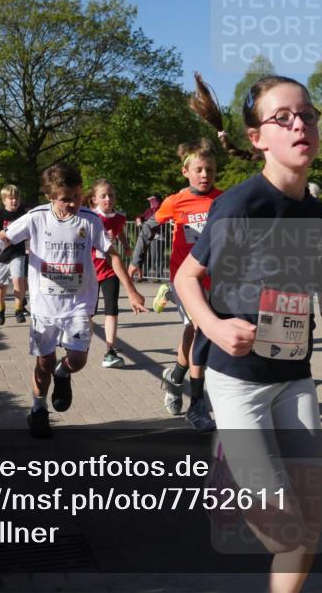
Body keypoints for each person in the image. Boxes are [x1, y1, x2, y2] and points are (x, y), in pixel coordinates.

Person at [176, 73, 322, 592]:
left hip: (295, 379)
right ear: (257, 137)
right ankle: (229, 465)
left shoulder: (318, 215)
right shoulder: (242, 204)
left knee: (309, 531)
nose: (300, 125)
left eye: (307, 115)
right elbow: (186, 277)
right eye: (283, 118)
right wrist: (214, 326)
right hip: (239, 381)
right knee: (286, 532)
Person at [0, 163, 146, 438]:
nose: (73, 204)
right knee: (43, 363)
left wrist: (130, 290)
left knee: (78, 360)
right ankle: (38, 409)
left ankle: (63, 373)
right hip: (45, 305)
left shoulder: (90, 220)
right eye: (65, 199)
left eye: (77, 197)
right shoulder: (37, 217)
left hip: (78, 303)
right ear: (50, 197)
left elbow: (112, 254)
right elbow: (6, 235)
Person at [128, 133, 223, 432]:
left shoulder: (224, 199)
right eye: (199, 170)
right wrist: (135, 261)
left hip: (217, 279)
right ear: (185, 171)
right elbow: (148, 229)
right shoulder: (175, 201)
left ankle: (176, 377)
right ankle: (197, 405)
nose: (205, 175)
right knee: (200, 328)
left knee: (194, 332)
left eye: (210, 169)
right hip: (184, 279)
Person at [82, 179, 131, 369]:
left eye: (111, 195)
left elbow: (120, 231)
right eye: (103, 196)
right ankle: (82, 346)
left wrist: (125, 245)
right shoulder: (89, 217)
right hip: (91, 271)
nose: (108, 199)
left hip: (110, 269)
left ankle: (110, 351)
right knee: (89, 312)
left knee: (112, 309)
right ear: (95, 199)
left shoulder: (119, 218)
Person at [0, 184, 29, 325]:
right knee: (2, 285)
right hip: (1, 255)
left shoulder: (23, 214)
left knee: (18, 279)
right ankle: (0, 309)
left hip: (17, 253)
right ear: (4, 200)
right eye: (11, 198)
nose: (14, 201)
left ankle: (19, 309)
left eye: (16, 198)